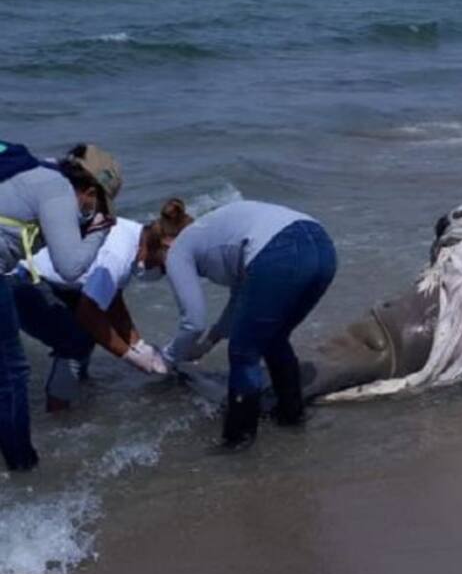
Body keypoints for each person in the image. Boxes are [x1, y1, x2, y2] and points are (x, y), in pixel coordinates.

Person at [141, 198, 337, 449]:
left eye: (162, 266)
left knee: (244, 352)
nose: (169, 271)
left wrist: (166, 359)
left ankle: (238, 440)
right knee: (274, 338)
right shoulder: (210, 232)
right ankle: (291, 417)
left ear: (165, 244)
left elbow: (192, 322)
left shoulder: (178, 248)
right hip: (322, 246)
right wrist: (210, 341)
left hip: (280, 250)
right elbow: (240, 298)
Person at [0, 142, 120, 471]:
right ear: (90, 190)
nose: (93, 213)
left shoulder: (29, 173)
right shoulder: (57, 188)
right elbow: (70, 266)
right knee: (11, 376)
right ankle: (23, 471)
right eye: (98, 206)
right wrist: (97, 232)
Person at [9, 214, 167, 412]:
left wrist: (139, 345)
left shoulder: (135, 235)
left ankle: (77, 386)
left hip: (56, 279)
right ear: (162, 246)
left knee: (88, 336)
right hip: (22, 279)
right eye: (162, 267)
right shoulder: (119, 255)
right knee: (77, 339)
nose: (158, 272)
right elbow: (89, 314)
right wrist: (129, 356)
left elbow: (111, 301)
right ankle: (59, 415)